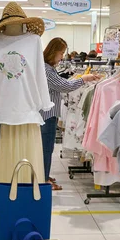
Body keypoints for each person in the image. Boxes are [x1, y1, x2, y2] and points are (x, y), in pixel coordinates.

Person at [41, 38, 100, 190]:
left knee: (47, 148)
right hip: (46, 116)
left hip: (48, 114)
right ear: (53, 52)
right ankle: (43, 179)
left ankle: (45, 175)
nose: (62, 57)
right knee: (46, 149)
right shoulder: (46, 70)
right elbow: (64, 86)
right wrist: (83, 79)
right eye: (61, 53)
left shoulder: (48, 68)